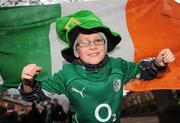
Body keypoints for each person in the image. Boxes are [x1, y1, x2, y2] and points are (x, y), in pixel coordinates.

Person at [19, 10, 175, 123]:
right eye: (84, 42)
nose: (92, 46)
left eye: (98, 40)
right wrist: (27, 82)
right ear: (76, 52)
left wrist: (157, 63)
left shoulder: (118, 66)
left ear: (106, 46)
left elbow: (144, 71)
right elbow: (35, 95)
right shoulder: (66, 74)